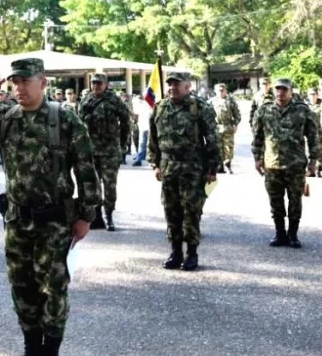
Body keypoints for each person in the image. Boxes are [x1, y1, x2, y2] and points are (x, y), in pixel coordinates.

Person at [0, 58, 98, 356]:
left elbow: (87, 170)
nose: (19, 88)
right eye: (14, 82)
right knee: (23, 290)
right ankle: (31, 354)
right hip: (18, 222)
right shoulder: (6, 118)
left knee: (53, 291)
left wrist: (87, 215)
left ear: (42, 82)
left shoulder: (65, 119)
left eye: (25, 81)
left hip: (54, 223)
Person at [147, 72, 220, 271]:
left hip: (193, 170)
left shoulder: (199, 108)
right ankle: (175, 252)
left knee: (191, 212)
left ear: (187, 86)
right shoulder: (160, 107)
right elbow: (153, 138)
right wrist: (154, 163)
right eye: (169, 84)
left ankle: (192, 253)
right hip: (169, 169)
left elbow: (212, 139)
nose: (172, 88)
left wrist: (213, 168)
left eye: (177, 84)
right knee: (171, 211)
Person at [251, 78, 318, 248]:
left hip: (295, 165)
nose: (280, 92)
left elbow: (313, 136)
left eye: (284, 89)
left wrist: (314, 160)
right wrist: (257, 158)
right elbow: (258, 136)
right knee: (276, 201)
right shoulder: (265, 110)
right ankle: (280, 234)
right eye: (278, 89)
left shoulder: (302, 110)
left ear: (291, 91)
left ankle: (293, 235)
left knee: (295, 201)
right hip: (272, 164)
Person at [77, 73, 129, 231]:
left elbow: (126, 121)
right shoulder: (86, 100)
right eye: (94, 83)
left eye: (99, 83)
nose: (96, 86)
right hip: (91, 150)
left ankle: (109, 216)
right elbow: (78, 122)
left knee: (110, 186)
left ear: (106, 84)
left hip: (110, 151)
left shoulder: (113, 100)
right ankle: (97, 216)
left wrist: (122, 144)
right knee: (93, 186)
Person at [209, 84, 241, 174]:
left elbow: (237, 114)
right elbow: (207, 115)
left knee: (228, 148)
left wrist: (235, 124)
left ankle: (228, 165)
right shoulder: (211, 102)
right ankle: (220, 167)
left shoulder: (230, 101)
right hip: (216, 127)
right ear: (215, 91)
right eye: (219, 90)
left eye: (222, 90)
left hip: (227, 127)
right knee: (218, 148)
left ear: (225, 91)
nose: (220, 92)